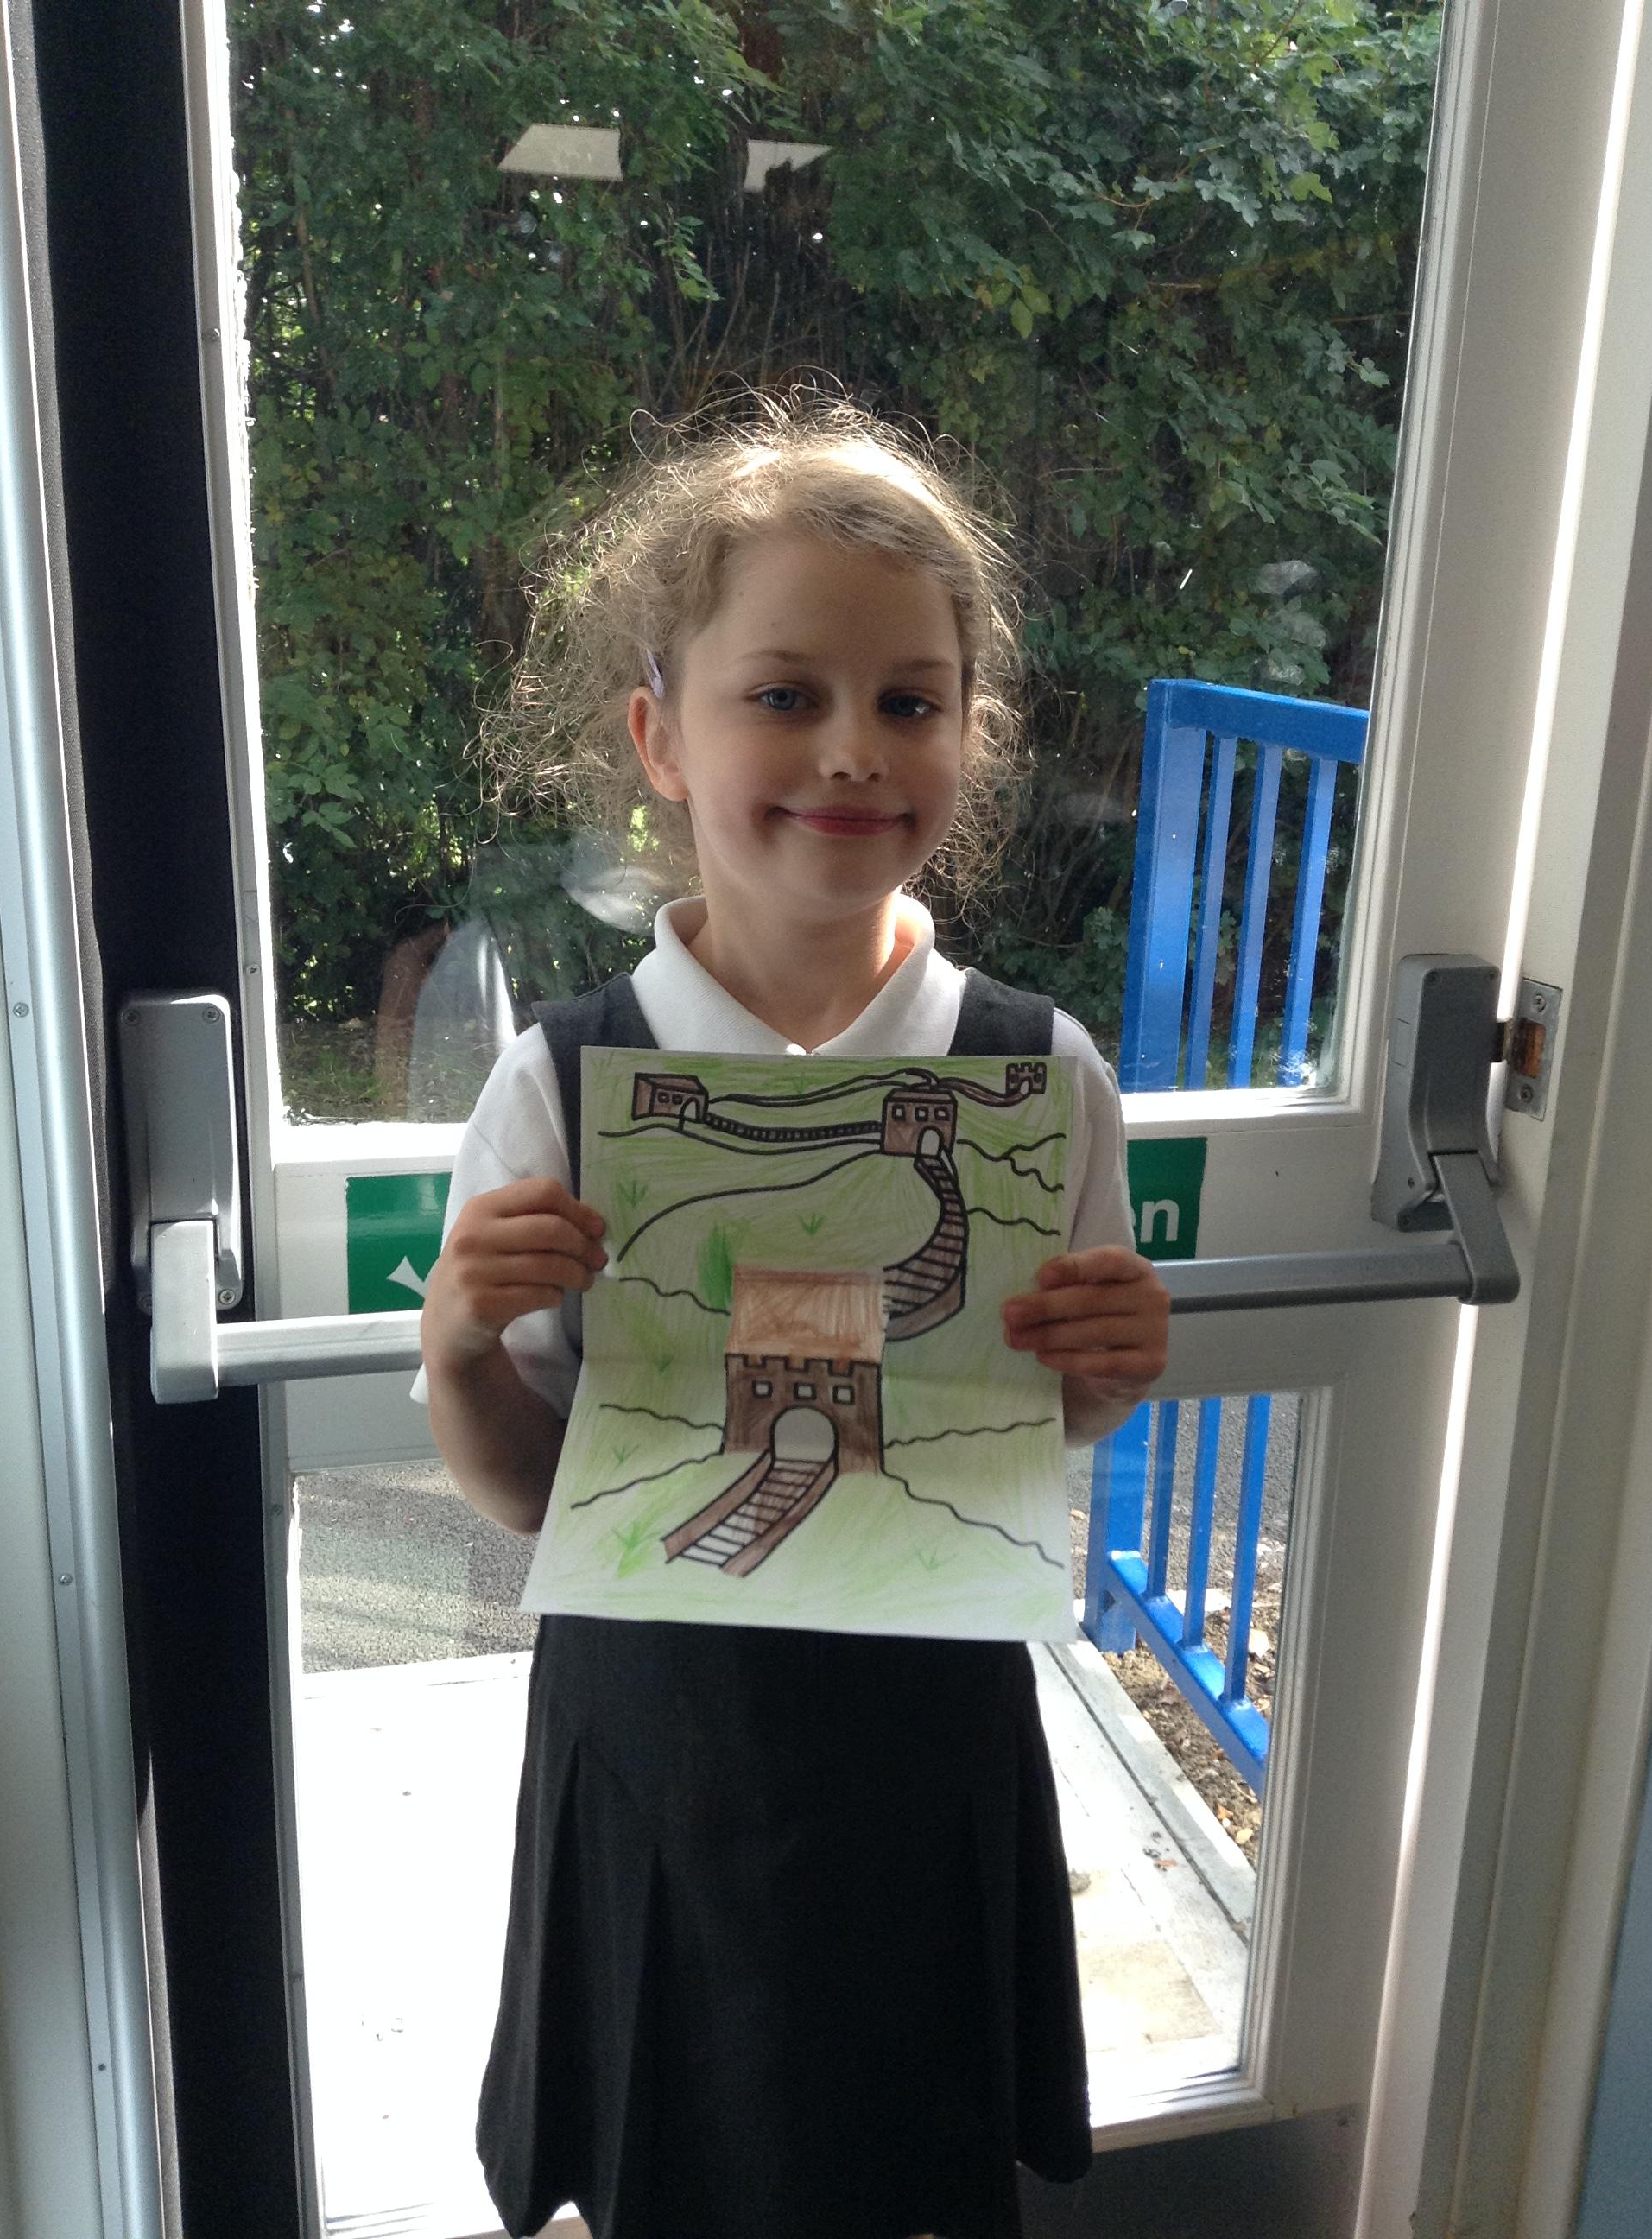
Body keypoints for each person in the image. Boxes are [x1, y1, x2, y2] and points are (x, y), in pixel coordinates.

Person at [415, 399, 1170, 2239]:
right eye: (784, 695)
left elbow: (1024, 1427)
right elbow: (526, 1493)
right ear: (659, 739)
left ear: (970, 738)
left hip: (926, 1745)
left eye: (910, 701)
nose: (851, 747)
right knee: (669, 2153)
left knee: (915, 2159)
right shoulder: (561, 1082)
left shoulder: (1038, 1075)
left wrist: (1107, 1373)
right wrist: (455, 1346)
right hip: (659, 1747)